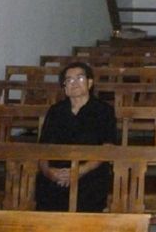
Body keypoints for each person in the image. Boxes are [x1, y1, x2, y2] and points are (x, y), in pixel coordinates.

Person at [35, 61, 117, 212]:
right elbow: (43, 148)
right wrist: (49, 172)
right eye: (69, 80)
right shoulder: (55, 111)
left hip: (89, 172)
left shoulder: (104, 110)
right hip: (56, 172)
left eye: (79, 78)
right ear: (64, 87)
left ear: (90, 83)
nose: (74, 83)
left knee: (90, 191)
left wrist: (79, 171)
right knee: (46, 193)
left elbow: (108, 148)